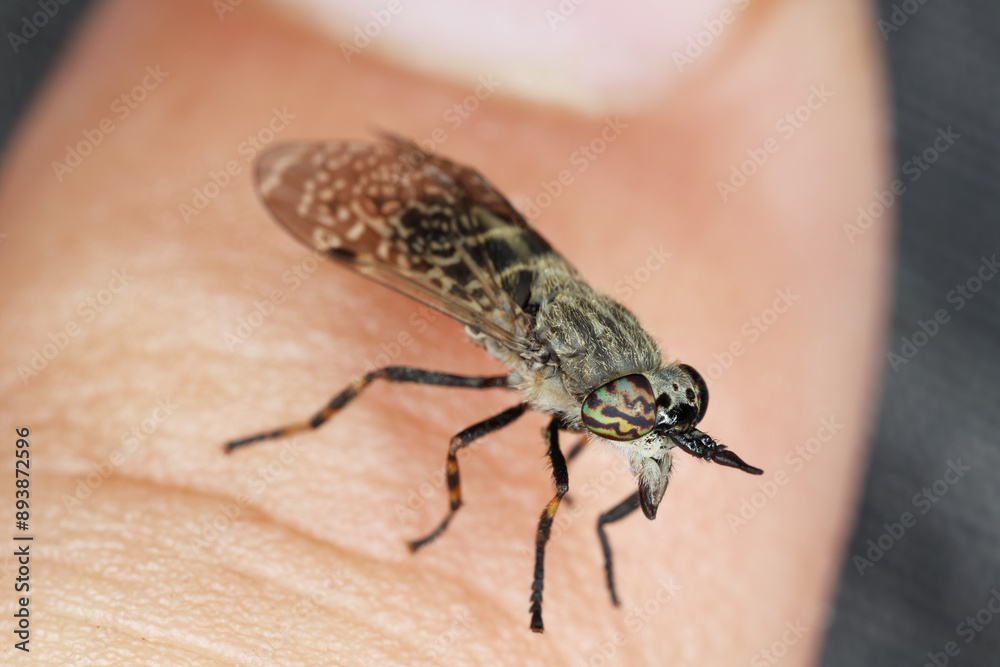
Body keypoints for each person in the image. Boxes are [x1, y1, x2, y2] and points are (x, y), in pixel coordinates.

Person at [0, 0, 888, 663]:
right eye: (642, 412)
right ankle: (310, 430)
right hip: (440, 246)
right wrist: (482, 522)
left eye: (659, 406)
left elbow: (608, 420)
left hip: (494, 229)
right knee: (412, 391)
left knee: (563, 460)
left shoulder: (623, 386)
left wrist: (638, 441)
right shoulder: (561, 377)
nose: (652, 414)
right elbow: (557, 441)